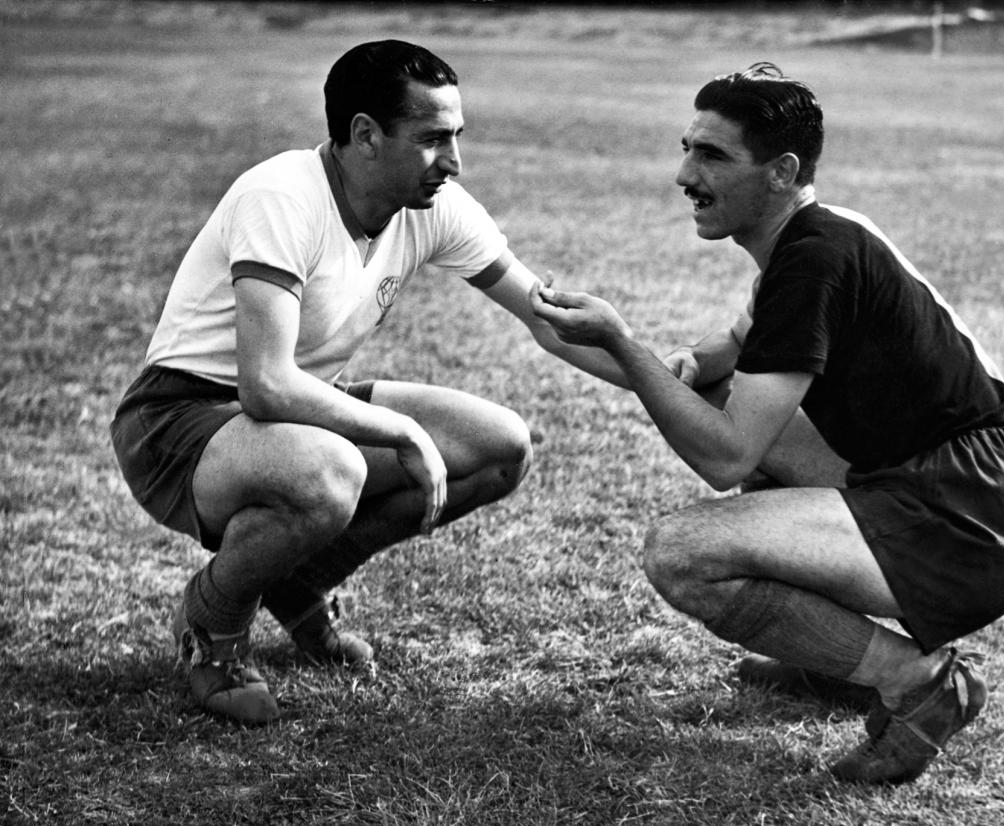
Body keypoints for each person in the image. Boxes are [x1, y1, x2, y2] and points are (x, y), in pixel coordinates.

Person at [532, 62, 1004, 784]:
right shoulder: (817, 236)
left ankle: (918, 681)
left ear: (781, 172)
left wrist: (621, 340)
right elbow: (720, 360)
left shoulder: (814, 260)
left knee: (682, 554)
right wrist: (647, 355)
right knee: (725, 400)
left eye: (711, 155)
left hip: (970, 518)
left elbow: (725, 458)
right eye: (687, 147)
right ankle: (834, 664)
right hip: (970, 486)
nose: (685, 174)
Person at [110, 40, 625, 725]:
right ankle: (213, 623)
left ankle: (298, 585)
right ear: (365, 135)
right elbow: (265, 386)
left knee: (500, 446)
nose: (455, 160)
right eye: (433, 138)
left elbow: (548, 319)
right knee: (330, 472)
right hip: (181, 419)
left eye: (456, 137)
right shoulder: (282, 196)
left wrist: (655, 375)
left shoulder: (434, 205)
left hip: (293, 419)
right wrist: (401, 429)